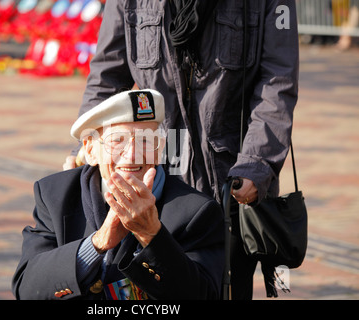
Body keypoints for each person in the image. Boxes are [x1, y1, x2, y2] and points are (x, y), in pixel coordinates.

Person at [63, 0, 299, 299]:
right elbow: (106, 77)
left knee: (222, 290)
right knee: (150, 288)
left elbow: (277, 83)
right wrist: (88, 150)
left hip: (231, 182)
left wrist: (257, 164)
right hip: (154, 176)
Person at [12, 89, 225, 300]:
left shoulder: (196, 212)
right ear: (90, 149)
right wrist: (97, 243)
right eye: (118, 140)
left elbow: (203, 295)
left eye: (146, 140)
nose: (132, 155)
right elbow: (27, 289)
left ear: (159, 148)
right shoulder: (55, 195)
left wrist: (151, 235)